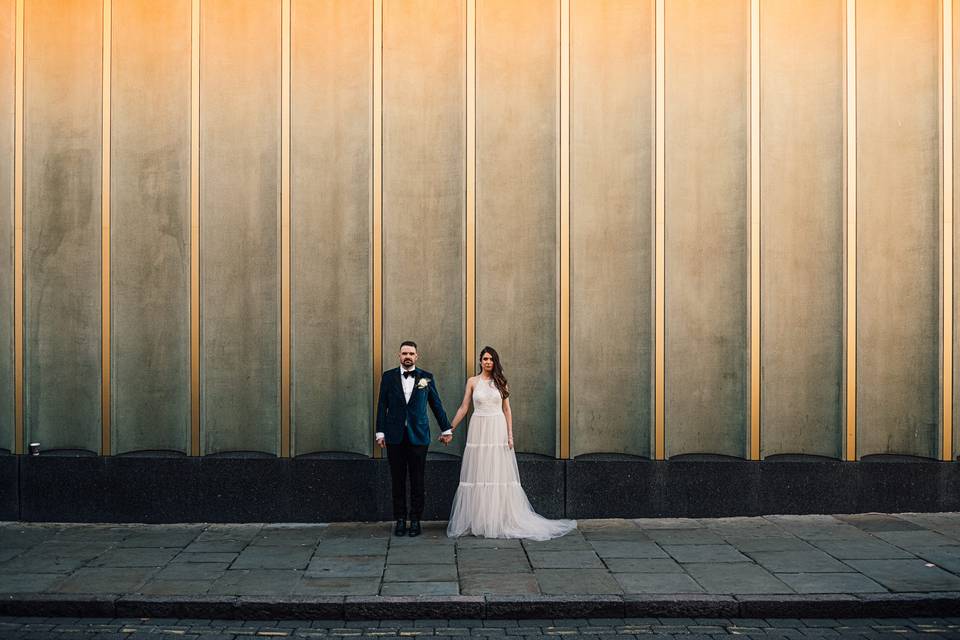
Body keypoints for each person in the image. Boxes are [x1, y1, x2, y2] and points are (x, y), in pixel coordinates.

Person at [442, 346, 576, 540]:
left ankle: (497, 519)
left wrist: (510, 435)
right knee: (479, 473)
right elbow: (464, 407)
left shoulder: (501, 382)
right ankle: (480, 520)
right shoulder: (472, 381)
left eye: (491, 359)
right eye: (485, 359)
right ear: (480, 361)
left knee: (497, 474)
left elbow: (507, 410)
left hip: (497, 428)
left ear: (495, 362)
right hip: (478, 428)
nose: (488, 362)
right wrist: (450, 428)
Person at [376, 340, 452, 537]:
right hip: (395, 437)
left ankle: (416, 520)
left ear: (416, 356)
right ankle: (400, 519)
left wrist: (446, 429)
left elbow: (436, 404)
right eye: (404, 353)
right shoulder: (388, 377)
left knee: (418, 480)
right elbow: (381, 405)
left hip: (418, 437)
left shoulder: (426, 378)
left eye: (411, 353)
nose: (407, 356)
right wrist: (380, 432)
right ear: (399, 355)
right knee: (397, 480)